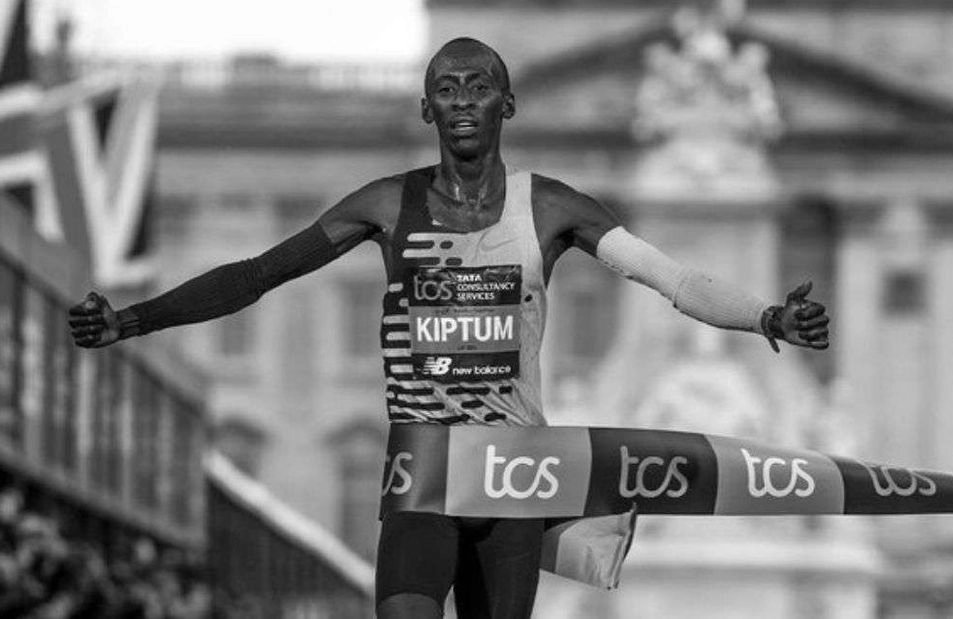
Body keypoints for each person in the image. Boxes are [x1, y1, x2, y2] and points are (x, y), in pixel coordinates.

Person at [69, 37, 829, 619]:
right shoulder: (384, 203)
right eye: (446, 88)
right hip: (424, 466)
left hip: (514, 473)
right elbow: (258, 274)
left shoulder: (550, 207)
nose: (463, 100)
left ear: (508, 105)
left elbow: (672, 280)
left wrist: (766, 317)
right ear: (426, 110)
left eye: (480, 86)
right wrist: (132, 319)